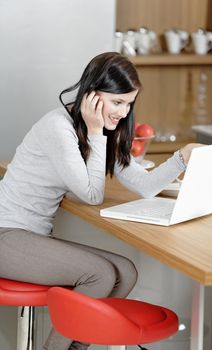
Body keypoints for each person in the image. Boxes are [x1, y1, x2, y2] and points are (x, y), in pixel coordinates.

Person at [0, 52, 200, 350]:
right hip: (7, 235)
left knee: (126, 272)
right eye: (117, 102)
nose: (123, 111)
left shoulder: (103, 132)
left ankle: (74, 347)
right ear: (92, 95)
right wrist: (95, 132)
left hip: (30, 238)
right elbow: (91, 196)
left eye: (129, 103)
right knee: (101, 274)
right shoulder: (58, 127)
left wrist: (181, 159)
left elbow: (143, 185)